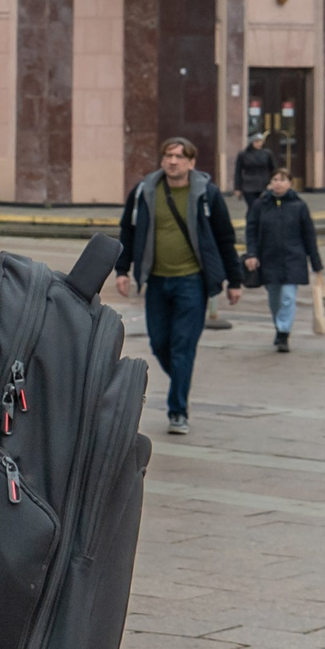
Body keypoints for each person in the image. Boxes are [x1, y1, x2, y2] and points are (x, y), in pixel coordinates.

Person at [113, 138, 245, 437]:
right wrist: (122, 270)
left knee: (182, 346)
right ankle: (181, 381)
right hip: (156, 281)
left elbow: (225, 238)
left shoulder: (207, 194)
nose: (172, 161)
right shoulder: (144, 191)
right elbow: (128, 231)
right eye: (168, 155)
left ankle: (177, 411)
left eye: (179, 156)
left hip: (191, 282)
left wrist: (234, 281)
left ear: (191, 162)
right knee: (159, 343)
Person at [241, 166, 323, 353]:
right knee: (274, 298)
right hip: (268, 258)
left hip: (293, 258)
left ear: (290, 183)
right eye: (275, 180)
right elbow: (251, 231)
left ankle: (283, 332)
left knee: (288, 297)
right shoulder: (260, 205)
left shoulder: (299, 206)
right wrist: (251, 253)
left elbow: (309, 235)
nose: (278, 183)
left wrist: (316, 263)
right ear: (270, 183)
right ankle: (279, 326)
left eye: (283, 180)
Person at [233, 132, 277, 208]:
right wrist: (237, 188)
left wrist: (272, 183)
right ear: (251, 142)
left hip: (264, 184)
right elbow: (238, 172)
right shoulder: (243, 154)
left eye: (261, 141)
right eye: (256, 141)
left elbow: (273, 169)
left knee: (265, 207)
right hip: (248, 186)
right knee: (253, 207)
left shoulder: (267, 154)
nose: (259, 144)